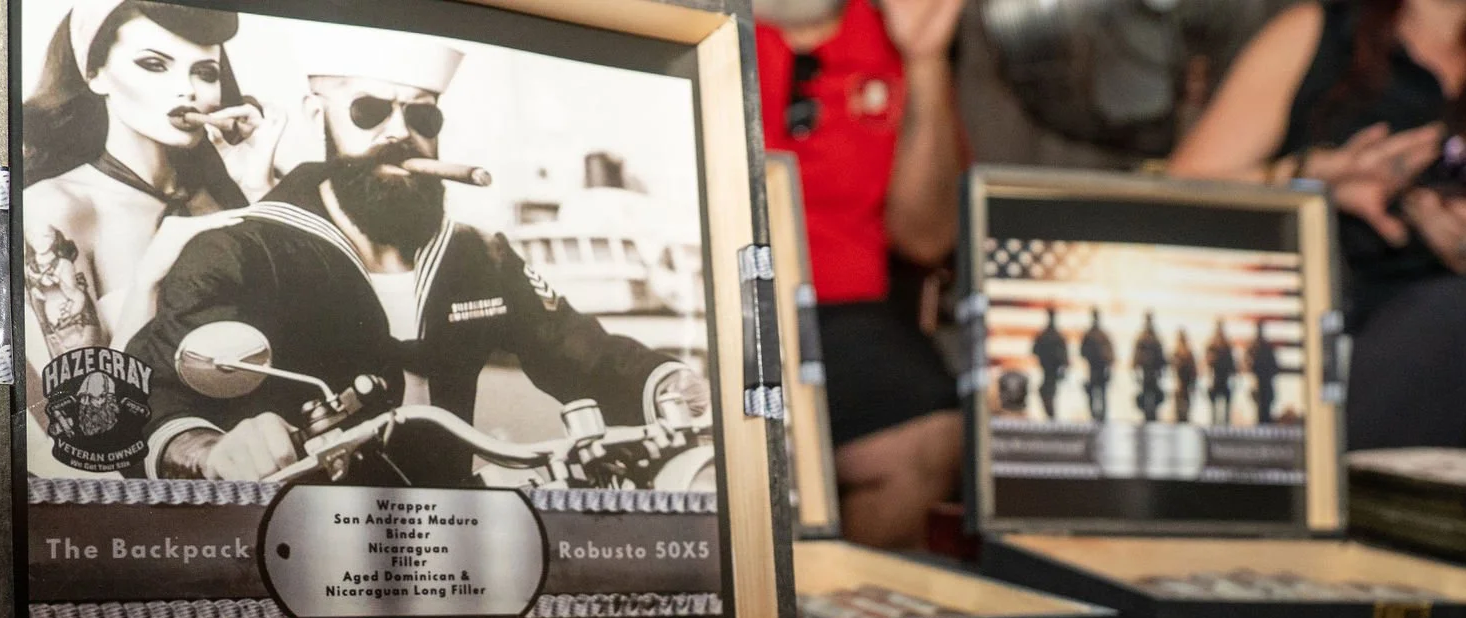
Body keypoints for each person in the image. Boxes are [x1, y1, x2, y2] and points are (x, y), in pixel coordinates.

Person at [124, 31, 710, 485]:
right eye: (369, 111)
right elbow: (153, 393)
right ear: (314, 117)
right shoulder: (242, 248)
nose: (399, 132)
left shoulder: (479, 253)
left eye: (421, 115)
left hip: (462, 540)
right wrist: (206, 449)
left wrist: (669, 384)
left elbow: (580, 350)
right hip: (294, 542)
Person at [1168, 0, 1466, 450]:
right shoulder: (1319, 33)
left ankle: (1311, 495)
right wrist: (1313, 177)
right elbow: (1180, 195)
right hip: (1341, 315)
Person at [21, 0, 284, 474]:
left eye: (205, 72)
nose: (186, 90)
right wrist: (149, 277)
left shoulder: (234, 194)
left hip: (269, 464)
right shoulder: (57, 208)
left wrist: (258, 187)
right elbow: (91, 432)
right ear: (95, 74)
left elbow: (311, 338)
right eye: (153, 64)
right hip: (144, 499)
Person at [756, 0, 969, 550]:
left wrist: (926, 62)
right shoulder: (674, 20)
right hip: (698, 289)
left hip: (841, 308)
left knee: (924, 436)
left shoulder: (896, 31)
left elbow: (927, 238)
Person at [1032, 305, 1068, 420]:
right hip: (1048, 367)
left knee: (1048, 390)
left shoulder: (1051, 335)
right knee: (1047, 390)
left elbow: (1063, 354)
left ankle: (1051, 413)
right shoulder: (1051, 335)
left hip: (1051, 368)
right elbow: (1035, 350)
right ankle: (1050, 413)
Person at [1132, 311, 1168, 422]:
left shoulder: (1154, 337)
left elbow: (1160, 354)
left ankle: (1152, 415)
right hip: (1146, 371)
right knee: (1146, 394)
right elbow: (1137, 355)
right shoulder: (1143, 337)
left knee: (1154, 394)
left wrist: (1162, 369)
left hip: (1153, 371)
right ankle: (1148, 415)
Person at [1079, 309, 1113, 423]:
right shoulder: (1094, 335)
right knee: (1095, 393)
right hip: (1094, 368)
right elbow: (1083, 352)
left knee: (1100, 393)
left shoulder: (1099, 335)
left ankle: (1100, 416)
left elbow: (1109, 354)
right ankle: (1096, 416)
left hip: (1099, 369)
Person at [1248, 318, 1283, 423]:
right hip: (1258, 380)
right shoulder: (1254, 346)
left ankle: (1265, 421)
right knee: (1260, 404)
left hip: (1266, 380)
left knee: (1266, 404)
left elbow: (1273, 365)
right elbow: (1249, 362)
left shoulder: (1266, 347)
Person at [1206, 319, 1238, 424]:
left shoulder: (1226, 346)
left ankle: (1225, 424)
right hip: (1216, 378)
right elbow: (1208, 362)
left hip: (1225, 379)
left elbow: (1231, 364)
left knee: (1226, 409)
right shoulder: (1212, 345)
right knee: (1214, 409)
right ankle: (1214, 423)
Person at [1171, 328, 1199, 424]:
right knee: (1180, 408)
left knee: (1184, 408)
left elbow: (1193, 370)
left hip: (1185, 383)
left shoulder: (1186, 353)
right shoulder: (1178, 352)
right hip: (1181, 383)